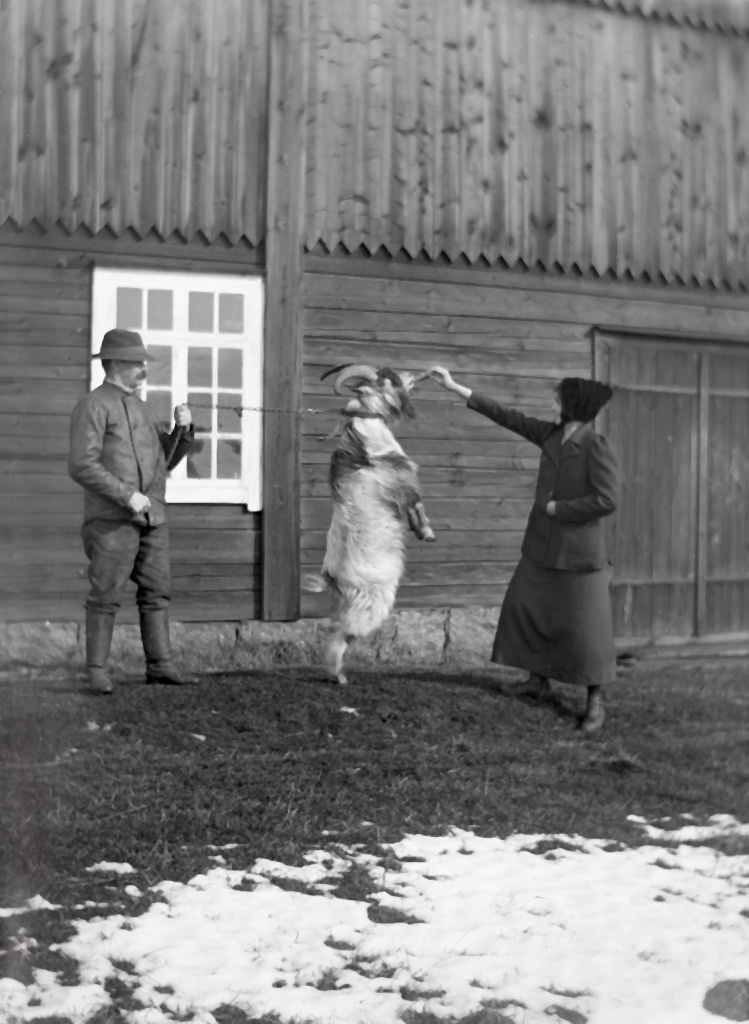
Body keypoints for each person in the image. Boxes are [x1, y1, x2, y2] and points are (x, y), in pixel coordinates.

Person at [429, 366, 619, 733]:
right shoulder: (550, 435)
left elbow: (607, 499)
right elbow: (506, 416)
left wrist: (557, 509)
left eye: (558, 398)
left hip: (581, 556)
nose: (552, 402)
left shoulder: (596, 446)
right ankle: (537, 681)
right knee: (528, 607)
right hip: (541, 548)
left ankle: (595, 701)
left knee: (587, 627)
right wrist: (454, 387)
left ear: (572, 405)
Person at [69, 328, 196, 694]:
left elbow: (164, 462)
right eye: (137, 363)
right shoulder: (93, 406)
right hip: (112, 521)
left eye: (143, 362)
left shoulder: (141, 407)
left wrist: (182, 431)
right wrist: (126, 496)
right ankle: (96, 671)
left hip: (153, 518)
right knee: (106, 594)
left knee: (157, 592)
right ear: (115, 364)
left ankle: (160, 666)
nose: (144, 369)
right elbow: (81, 464)